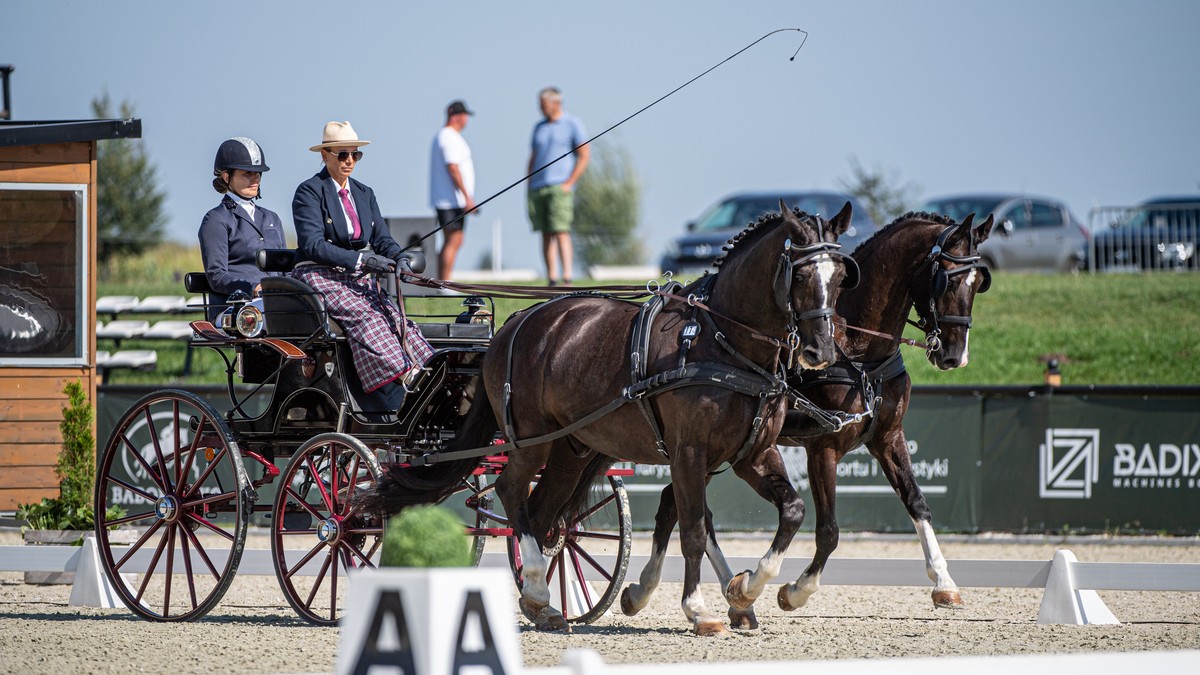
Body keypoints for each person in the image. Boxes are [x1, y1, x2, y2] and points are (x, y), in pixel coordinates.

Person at [291, 121, 433, 410]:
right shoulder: (309, 192)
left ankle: (428, 369)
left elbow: (382, 239)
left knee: (395, 316)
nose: (349, 161)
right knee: (366, 316)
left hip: (354, 274)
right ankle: (405, 374)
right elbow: (314, 244)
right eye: (342, 155)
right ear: (325, 155)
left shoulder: (364, 193)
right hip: (317, 272)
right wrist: (360, 259)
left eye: (355, 155)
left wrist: (400, 258)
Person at [198, 137, 287, 321]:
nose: (255, 178)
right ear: (226, 176)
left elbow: (285, 266)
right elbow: (216, 275)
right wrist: (252, 287)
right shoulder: (216, 219)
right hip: (236, 305)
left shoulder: (272, 218)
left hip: (275, 301)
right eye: (248, 173)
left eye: (258, 173)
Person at [527, 86, 589, 286]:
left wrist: (569, 183)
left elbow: (584, 155)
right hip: (538, 187)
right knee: (545, 232)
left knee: (561, 230)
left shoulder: (573, 124)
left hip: (559, 186)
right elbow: (533, 157)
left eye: (543, 105)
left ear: (556, 103)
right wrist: (529, 182)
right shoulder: (538, 127)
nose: (540, 109)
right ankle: (552, 278)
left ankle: (567, 277)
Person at [429, 99, 476, 280]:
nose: (466, 120)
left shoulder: (446, 136)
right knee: (453, 239)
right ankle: (444, 281)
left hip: (450, 200)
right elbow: (453, 168)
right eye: (465, 116)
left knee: (455, 239)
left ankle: (443, 280)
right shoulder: (449, 137)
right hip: (450, 200)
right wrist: (467, 198)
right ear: (457, 116)